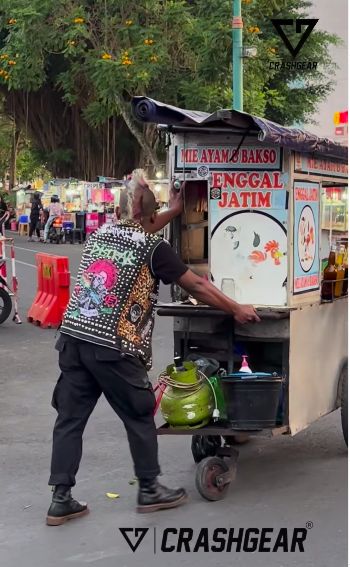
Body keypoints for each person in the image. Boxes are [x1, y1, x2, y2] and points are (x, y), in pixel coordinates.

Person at [47, 169, 260, 526]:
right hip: (114, 346)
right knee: (139, 413)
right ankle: (149, 489)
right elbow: (197, 285)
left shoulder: (101, 233)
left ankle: (60, 499)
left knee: (69, 420)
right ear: (148, 217)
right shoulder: (152, 247)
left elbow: (141, 223)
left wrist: (175, 211)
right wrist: (236, 308)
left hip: (72, 339)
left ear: (118, 212)